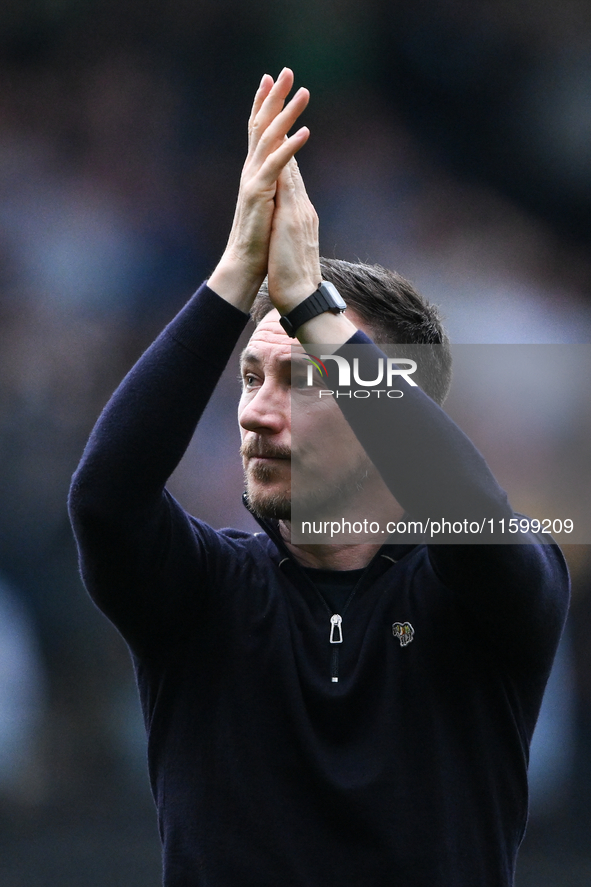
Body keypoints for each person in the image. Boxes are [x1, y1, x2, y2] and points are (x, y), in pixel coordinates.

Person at [68, 68, 570, 887]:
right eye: (250, 379)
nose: (257, 413)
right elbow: (104, 498)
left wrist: (310, 303)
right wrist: (237, 272)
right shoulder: (204, 591)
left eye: (302, 381)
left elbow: (469, 511)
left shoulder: (482, 594)